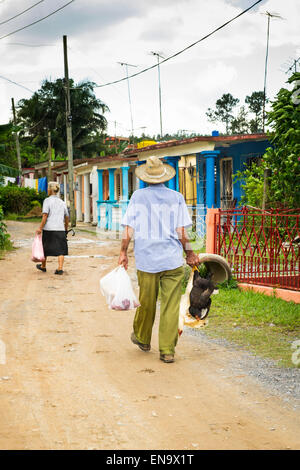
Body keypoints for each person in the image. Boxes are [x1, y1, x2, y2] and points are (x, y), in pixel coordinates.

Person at [118, 156, 199, 363]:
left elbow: (129, 229)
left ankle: (143, 339)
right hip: (172, 260)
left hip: (147, 260)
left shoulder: (138, 197)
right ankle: (167, 350)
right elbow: (181, 231)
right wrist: (189, 253)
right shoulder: (177, 197)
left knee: (146, 302)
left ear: (145, 177)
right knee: (171, 306)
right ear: (164, 176)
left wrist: (123, 252)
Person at [36, 181, 69, 275]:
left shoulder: (47, 201)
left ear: (50, 190)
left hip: (49, 228)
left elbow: (45, 215)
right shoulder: (62, 202)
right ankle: (60, 268)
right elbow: (67, 217)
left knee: (45, 248)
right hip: (60, 229)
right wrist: (66, 229)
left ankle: (43, 266)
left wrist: (40, 228)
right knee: (61, 249)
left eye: (48, 188)